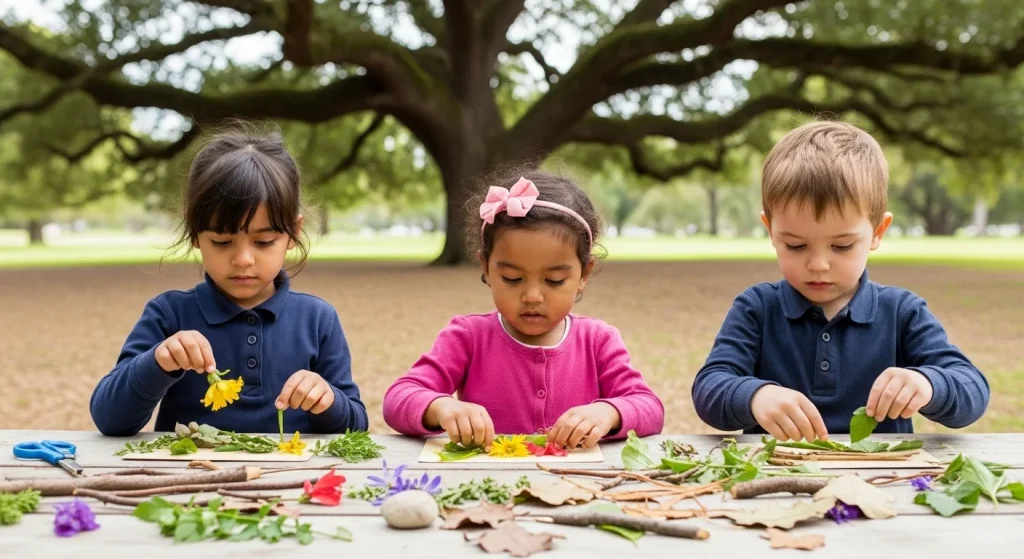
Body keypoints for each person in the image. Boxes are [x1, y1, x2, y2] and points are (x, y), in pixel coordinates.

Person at [691, 120, 989, 441]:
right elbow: (710, 386)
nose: (818, 265)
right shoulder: (757, 308)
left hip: (880, 478)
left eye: (842, 246)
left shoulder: (902, 311)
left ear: (877, 232)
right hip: (777, 473)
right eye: (796, 245)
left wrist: (928, 383)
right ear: (770, 231)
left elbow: (972, 388)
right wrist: (755, 396)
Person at [90, 121, 368, 436]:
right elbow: (109, 418)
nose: (243, 259)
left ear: (293, 232)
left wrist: (328, 400)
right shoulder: (169, 314)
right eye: (222, 242)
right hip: (188, 478)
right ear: (195, 234)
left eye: (263, 242)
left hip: (291, 479)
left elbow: (356, 425)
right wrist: (158, 362)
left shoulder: (317, 319)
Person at [382, 169, 664, 450]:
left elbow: (649, 407)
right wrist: (442, 407)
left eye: (554, 280)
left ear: (584, 275)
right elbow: (399, 397)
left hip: (578, 485)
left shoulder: (598, 340)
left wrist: (609, 412)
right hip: (488, 487)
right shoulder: (468, 336)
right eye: (512, 279)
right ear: (486, 267)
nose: (531, 296)